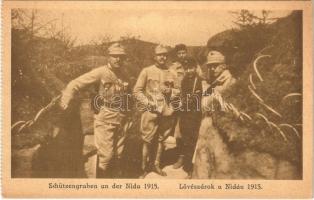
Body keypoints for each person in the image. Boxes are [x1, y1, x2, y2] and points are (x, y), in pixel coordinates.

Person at [59, 43, 131, 178]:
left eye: (121, 57)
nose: (118, 59)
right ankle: (101, 185)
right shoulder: (100, 72)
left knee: (118, 154)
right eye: (114, 56)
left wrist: (129, 115)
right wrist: (66, 99)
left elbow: (128, 95)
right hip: (105, 118)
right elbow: (75, 83)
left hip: (121, 119)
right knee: (106, 156)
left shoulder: (124, 75)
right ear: (108, 57)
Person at [133, 45, 178, 178]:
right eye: (159, 55)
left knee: (161, 139)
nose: (162, 57)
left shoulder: (172, 72)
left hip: (166, 112)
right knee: (147, 140)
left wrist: (171, 91)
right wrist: (148, 103)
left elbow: (179, 91)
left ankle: (156, 164)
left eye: (165, 55)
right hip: (150, 112)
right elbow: (137, 91)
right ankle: (143, 167)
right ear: (154, 57)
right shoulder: (146, 71)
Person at [193, 50, 236, 178]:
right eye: (210, 66)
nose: (212, 69)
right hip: (207, 126)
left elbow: (228, 109)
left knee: (218, 162)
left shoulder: (230, 82)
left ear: (223, 66)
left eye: (215, 65)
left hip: (218, 128)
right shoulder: (214, 81)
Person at [169, 44, 203, 169]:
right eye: (179, 53)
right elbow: (171, 84)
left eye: (184, 52)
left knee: (191, 132)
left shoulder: (195, 66)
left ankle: (190, 159)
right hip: (179, 101)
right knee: (179, 132)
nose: (182, 55)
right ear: (176, 55)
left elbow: (200, 81)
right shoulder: (173, 68)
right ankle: (181, 157)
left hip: (192, 105)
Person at [178, 57, 202, 177]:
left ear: (195, 68)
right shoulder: (184, 80)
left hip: (194, 115)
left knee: (192, 140)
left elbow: (196, 97)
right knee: (185, 138)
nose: (189, 70)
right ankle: (186, 164)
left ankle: (190, 168)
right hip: (184, 114)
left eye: (191, 68)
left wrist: (184, 102)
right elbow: (181, 93)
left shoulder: (199, 81)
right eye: (186, 68)